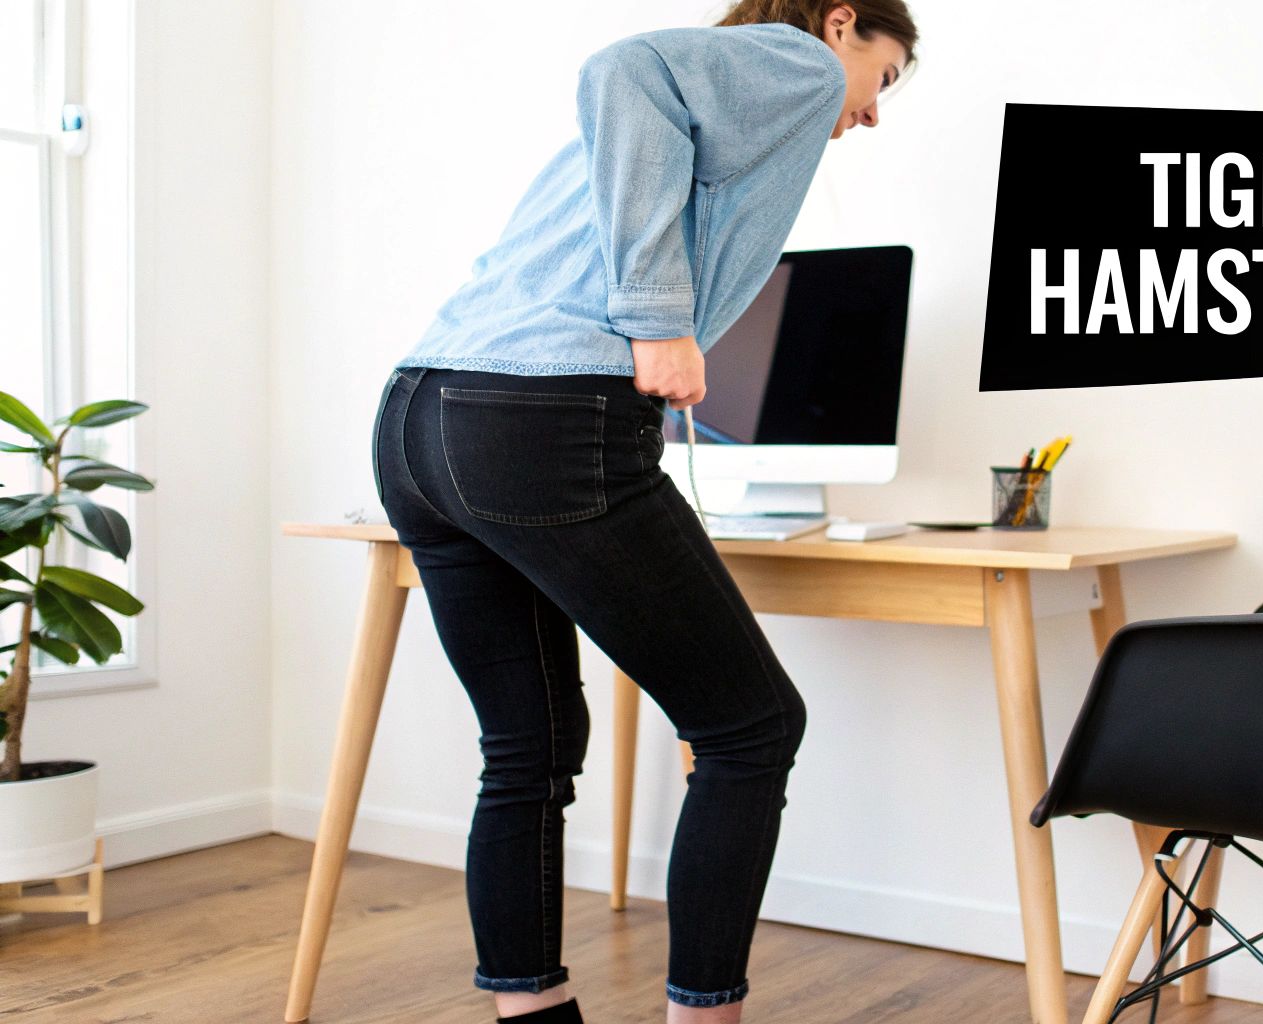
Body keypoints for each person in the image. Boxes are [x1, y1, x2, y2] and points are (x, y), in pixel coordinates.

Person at [368, 3, 917, 1022]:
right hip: (540, 419)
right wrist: (660, 320)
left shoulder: (720, 102)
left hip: (419, 415)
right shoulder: (797, 64)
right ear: (841, 24)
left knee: (527, 746)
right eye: (883, 78)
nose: (873, 112)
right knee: (752, 727)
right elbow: (624, 68)